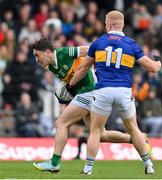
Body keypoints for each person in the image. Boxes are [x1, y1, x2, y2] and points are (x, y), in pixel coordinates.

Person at [32, 38, 152, 173]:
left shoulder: (65, 52)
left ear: (48, 52)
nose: (36, 59)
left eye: (37, 55)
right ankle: (139, 139)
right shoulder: (50, 66)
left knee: (61, 123)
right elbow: (71, 80)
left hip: (90, 90)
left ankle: (54, 163)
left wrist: (101, 66)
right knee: (100, 135)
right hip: (83, 93)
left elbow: (91, 50)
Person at [69, 11, 162, 175]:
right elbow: (152, 68)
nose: (105, 24)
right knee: (134, 129)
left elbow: (84, 68)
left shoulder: (98, 43)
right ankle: (148, 164)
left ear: (110, 23)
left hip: (103, 90)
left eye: (106, 22)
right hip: (123, 91)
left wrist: (71, 84)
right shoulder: (131, 44)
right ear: (122, 25)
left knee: (96, 131)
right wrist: (159, 62)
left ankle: (88, 169)